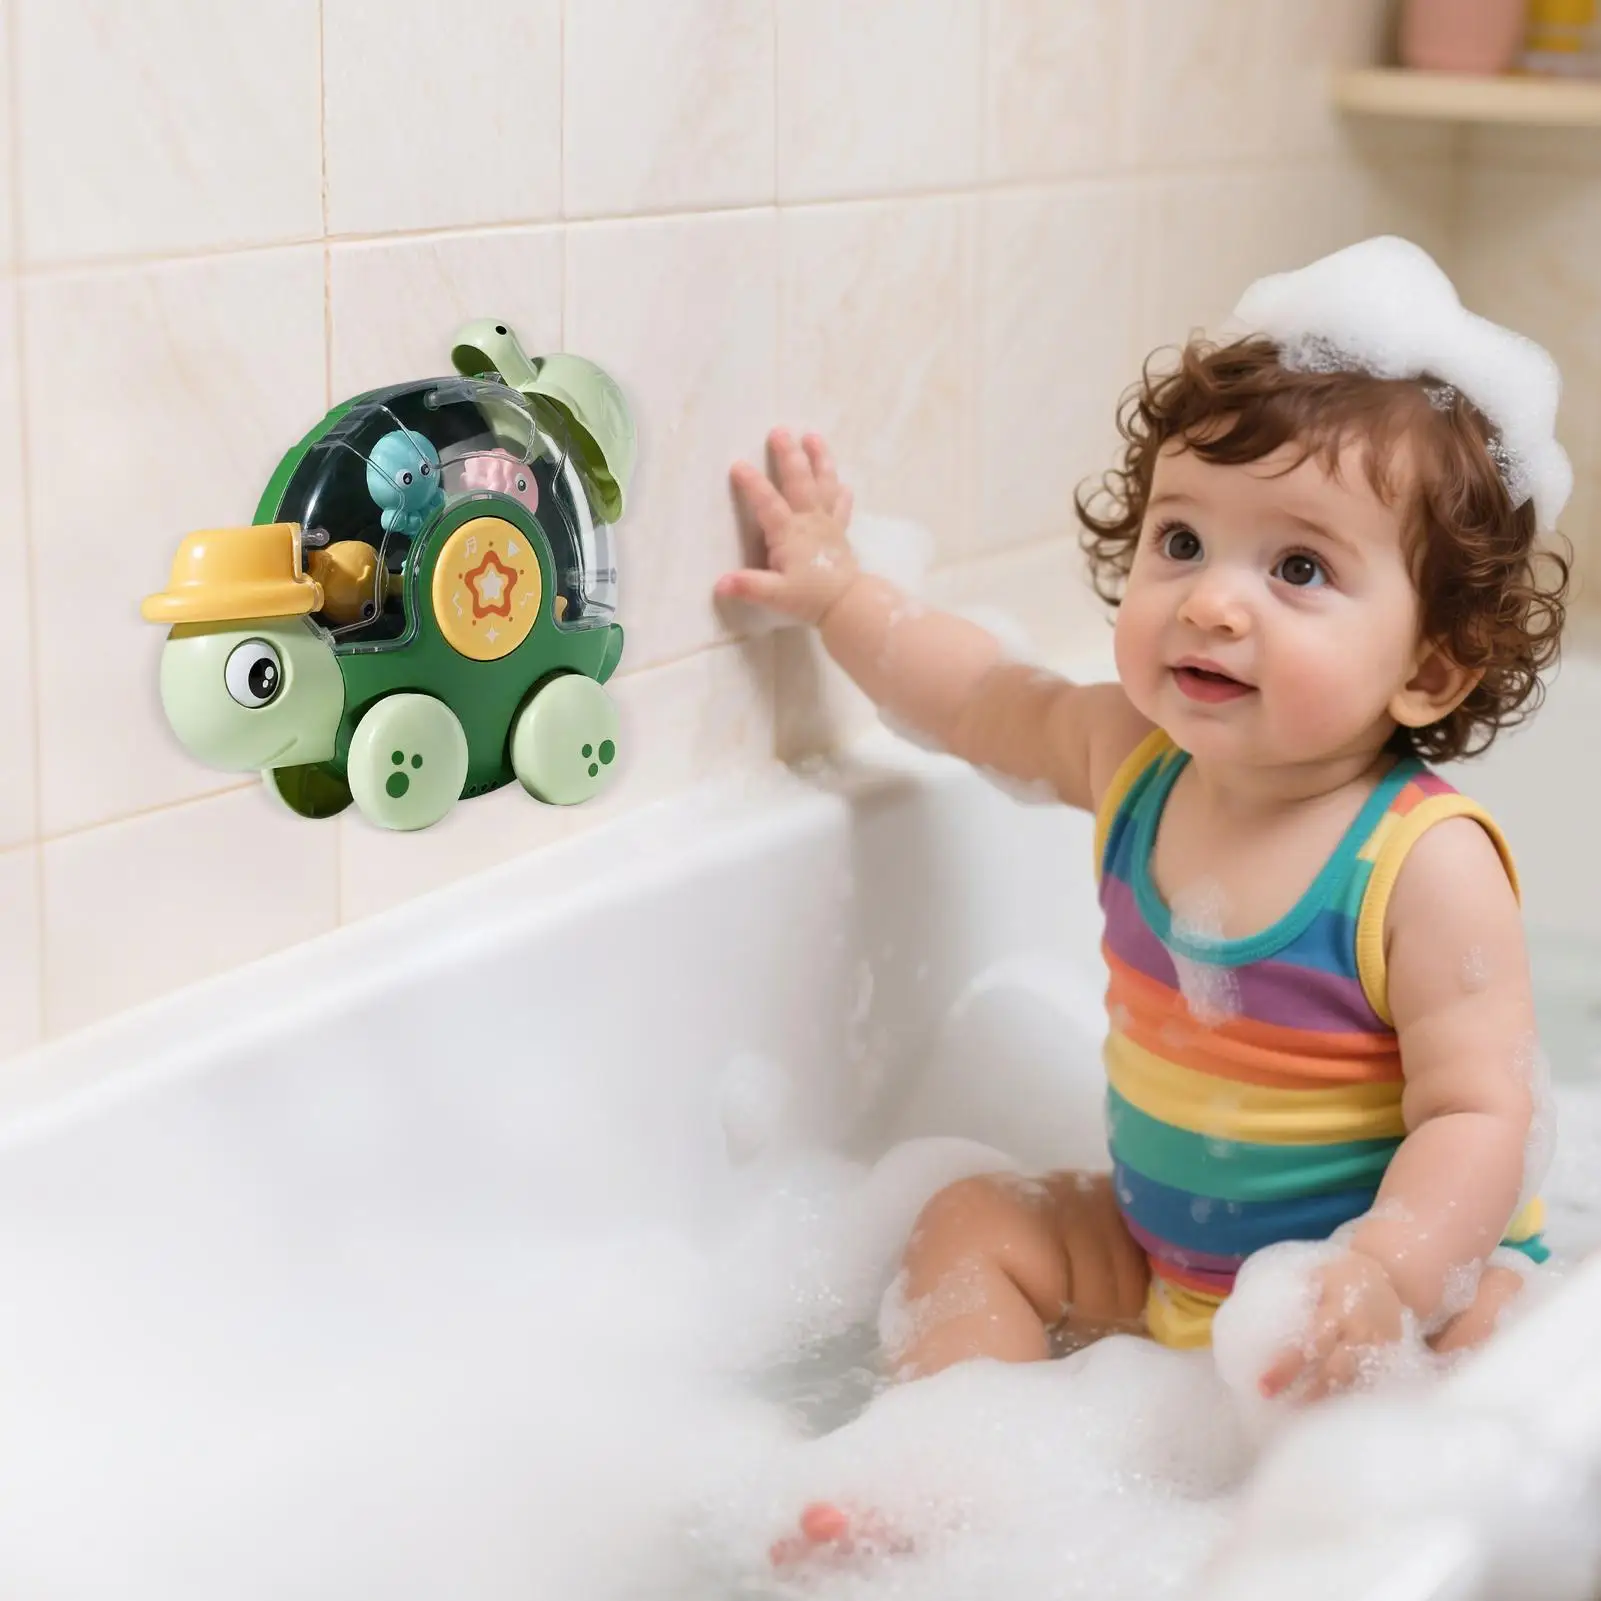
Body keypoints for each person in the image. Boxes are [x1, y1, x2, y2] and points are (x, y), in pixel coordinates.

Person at [716, 237, 1571, 1567]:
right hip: (1164, 1265)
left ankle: (1324, 1543)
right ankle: (946, 1483)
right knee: (977, 1225)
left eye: (1299, 570)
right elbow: (980, 700)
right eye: (1182, 541)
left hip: (1365, 1301)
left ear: (1433, 669)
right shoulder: (1135, 761)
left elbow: (1481, 1113)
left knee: (1493, 1365)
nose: (1213, 601)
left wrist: (1387, 1277)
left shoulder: (1424, 860)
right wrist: (838, 592)